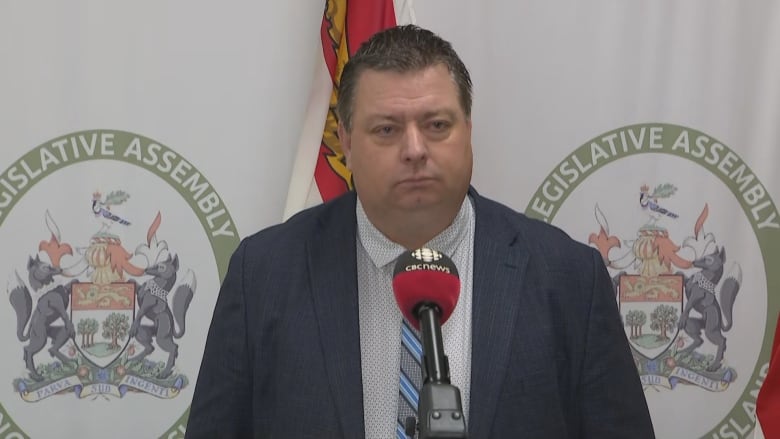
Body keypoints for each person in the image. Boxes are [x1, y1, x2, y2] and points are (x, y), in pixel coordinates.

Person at [185, 25, 655, 438]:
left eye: (436, 125)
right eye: (386, 130)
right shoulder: (263, 274)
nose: (414, 150)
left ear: (468, 129)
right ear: (346, 143)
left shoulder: (568, 277)